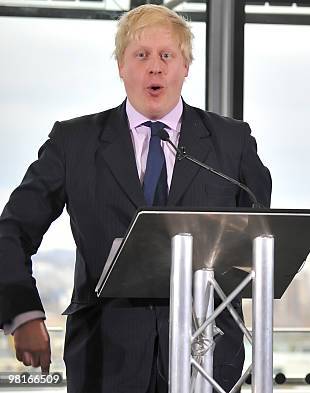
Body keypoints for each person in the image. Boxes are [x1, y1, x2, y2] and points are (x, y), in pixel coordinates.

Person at [0, 4, 271, 393]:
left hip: (209, 357)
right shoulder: (73, 143)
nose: (155, 67)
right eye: (141, 55)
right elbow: (10, 231)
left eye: (167, 55)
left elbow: (257, 231)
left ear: (186, 66)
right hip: (105, 358)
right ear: (121, 66)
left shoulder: (232, 142)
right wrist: (22, 313)